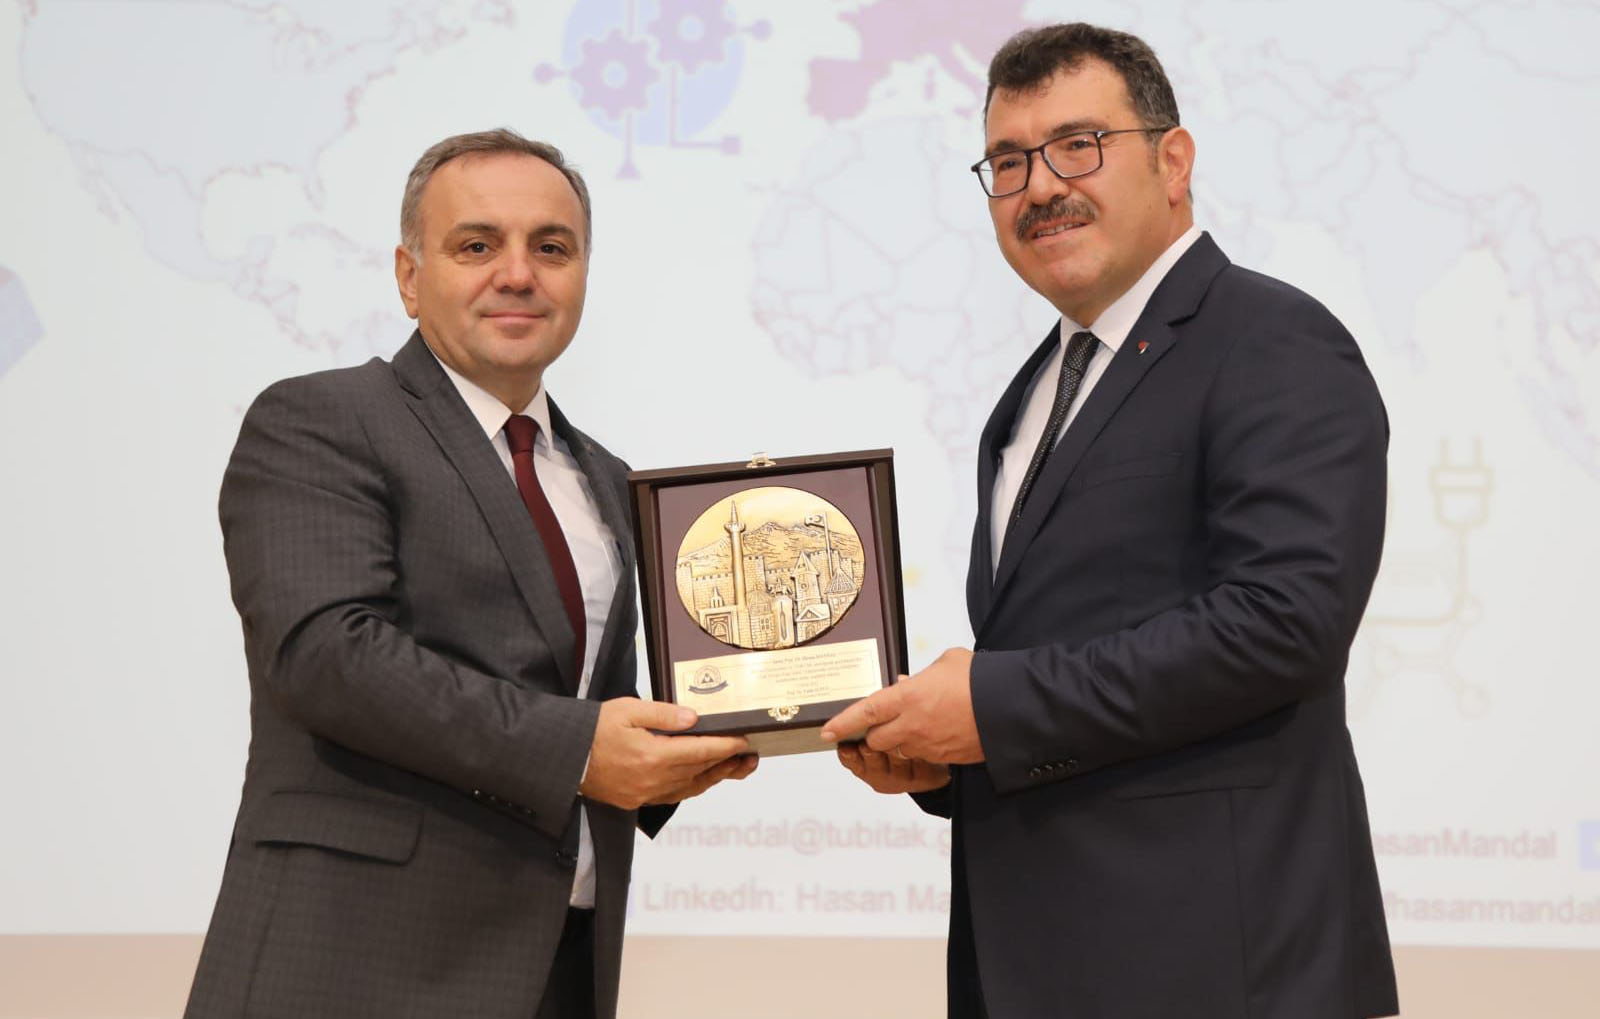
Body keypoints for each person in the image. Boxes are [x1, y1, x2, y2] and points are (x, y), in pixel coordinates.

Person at [822, 23, 1398, 1019]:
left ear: (1173, 162)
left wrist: (994, 707)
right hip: (1047, 963)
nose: (1040, 186)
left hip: (1220, 970)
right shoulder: (1036, 388)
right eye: (1008, 161)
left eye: (1078, 145)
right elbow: (1066, 646)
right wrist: (947, 758)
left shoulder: (1272, 340)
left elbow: (1284, 622)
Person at [185, 129, 756, 1019]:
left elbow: (584, 700)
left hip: (557, 964)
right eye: (477, 245)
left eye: (552, 248)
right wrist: (581, 751)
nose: (518, 274)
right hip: (354, 965)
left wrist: (707, 735)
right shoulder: (321, 418)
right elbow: (327, 655)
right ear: (409, 276)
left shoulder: (608, 479)